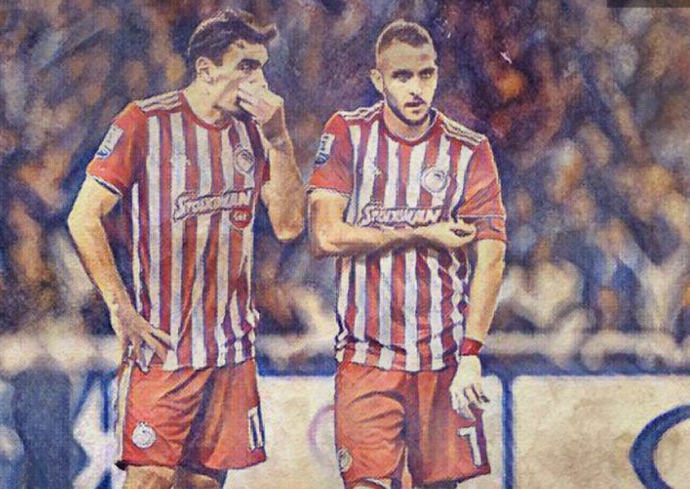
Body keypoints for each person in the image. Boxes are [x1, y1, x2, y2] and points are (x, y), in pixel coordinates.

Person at [67, 9, 304, 489]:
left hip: (229, 354)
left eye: (261, 68)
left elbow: (288, 224)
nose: (258, 82)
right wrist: (119, 306)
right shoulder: (144, 122)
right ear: (206, 69)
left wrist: (280, 141)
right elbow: (82, 216)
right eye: (246, 66)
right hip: (164, 351)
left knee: (202, 485)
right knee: (151, 479)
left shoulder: (256, 133)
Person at [308, 20, 506, 489]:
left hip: (441, 363)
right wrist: (420, 233)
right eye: (402, 76)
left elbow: (492, 255)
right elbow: (325, 236)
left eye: (426, 74)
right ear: (378, 80)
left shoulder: (469, 150)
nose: (416, 88)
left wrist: (471, 353)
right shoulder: (347, 133)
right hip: (367, 360)